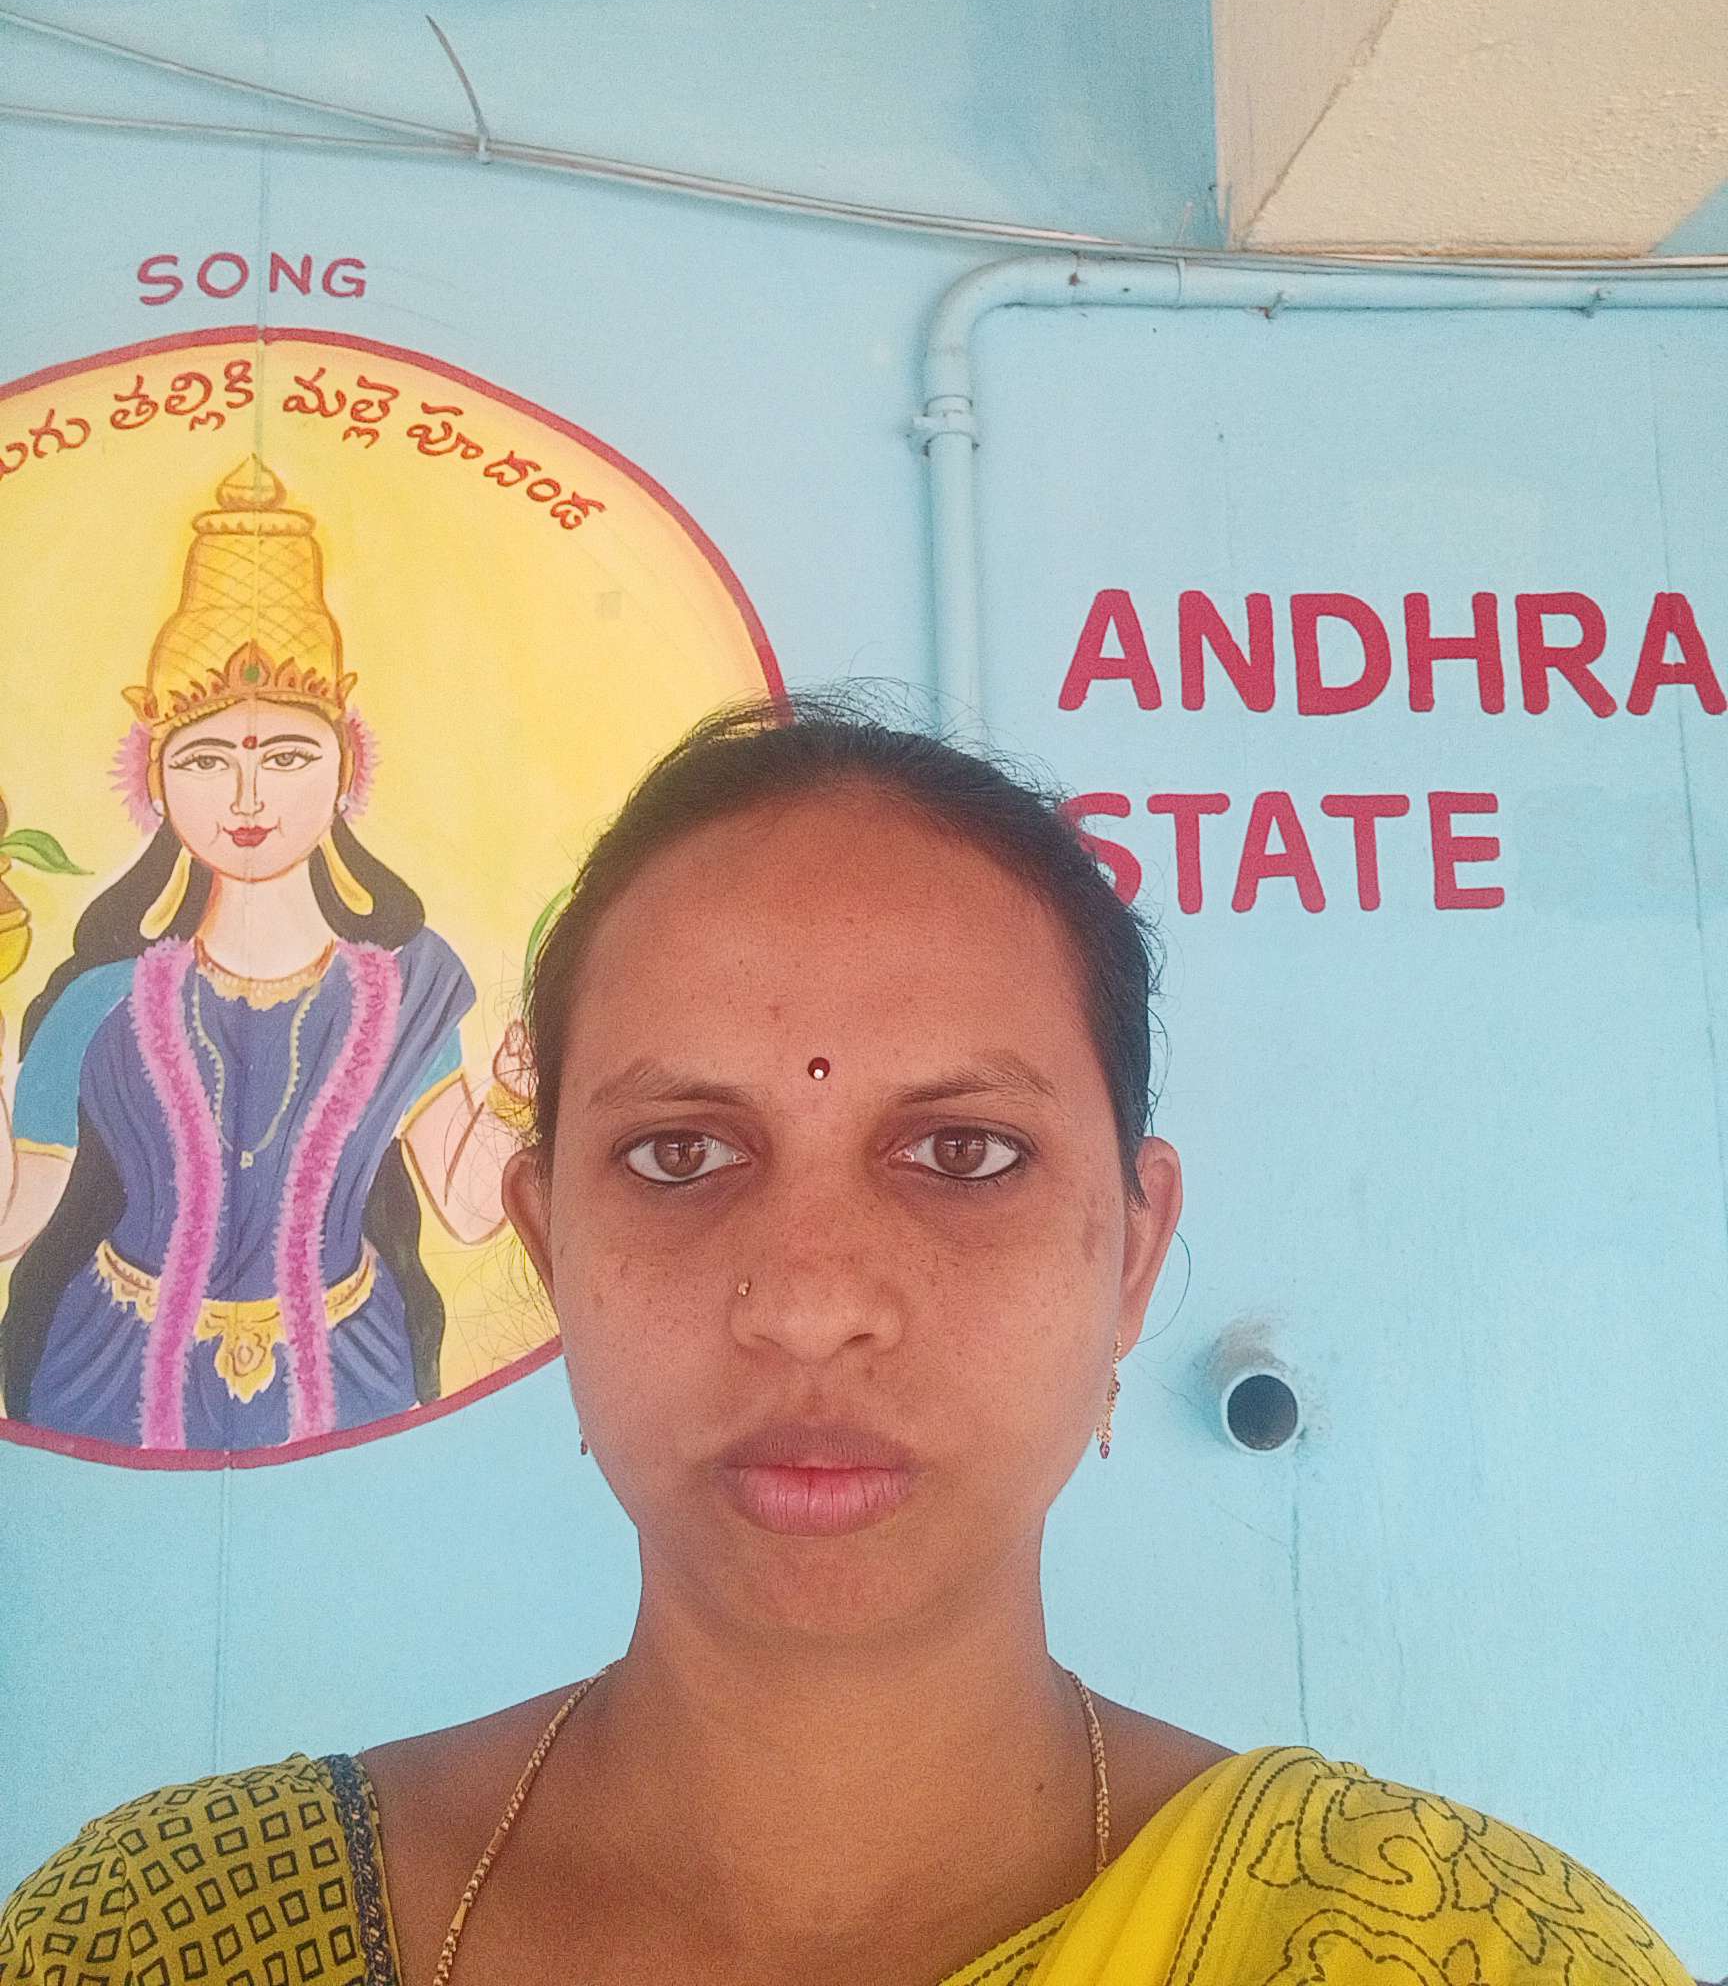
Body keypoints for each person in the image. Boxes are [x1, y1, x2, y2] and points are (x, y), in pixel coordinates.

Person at [0, 697, 1694, 1983]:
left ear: (1131, 1255)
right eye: (680, 1153)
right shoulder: (164, 1935)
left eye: (963, 1150)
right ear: (549, 1246)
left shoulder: (1458, 1948)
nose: (811, 1300)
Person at [0, 461, 514, 1454]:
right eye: (206, 760)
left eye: (286, 756)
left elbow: (465, 1206)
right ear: (156, 781)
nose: (247, 798)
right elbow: (14, 1217)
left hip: (355, 1368)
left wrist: (521, 1098)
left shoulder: (408, 989)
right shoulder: (97, 1002)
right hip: (111, 1374)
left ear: (344, 767)